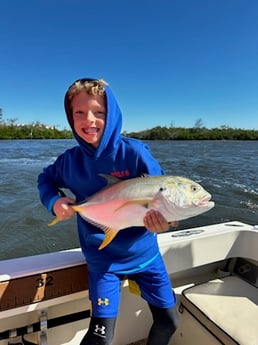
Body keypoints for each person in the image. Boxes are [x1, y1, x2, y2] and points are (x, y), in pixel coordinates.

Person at [37, 78, 179, 345]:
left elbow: (165, 195)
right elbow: (45, 179)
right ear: (70, 117)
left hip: (146, 256)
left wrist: (166, 222)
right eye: (79, 112)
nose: (89, 119)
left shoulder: (135, 153)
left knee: (169, 321)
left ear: (112, 114)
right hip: (104, 262)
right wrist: (54, 201)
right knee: (101, 337)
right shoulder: (69, 162)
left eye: (99, 112)